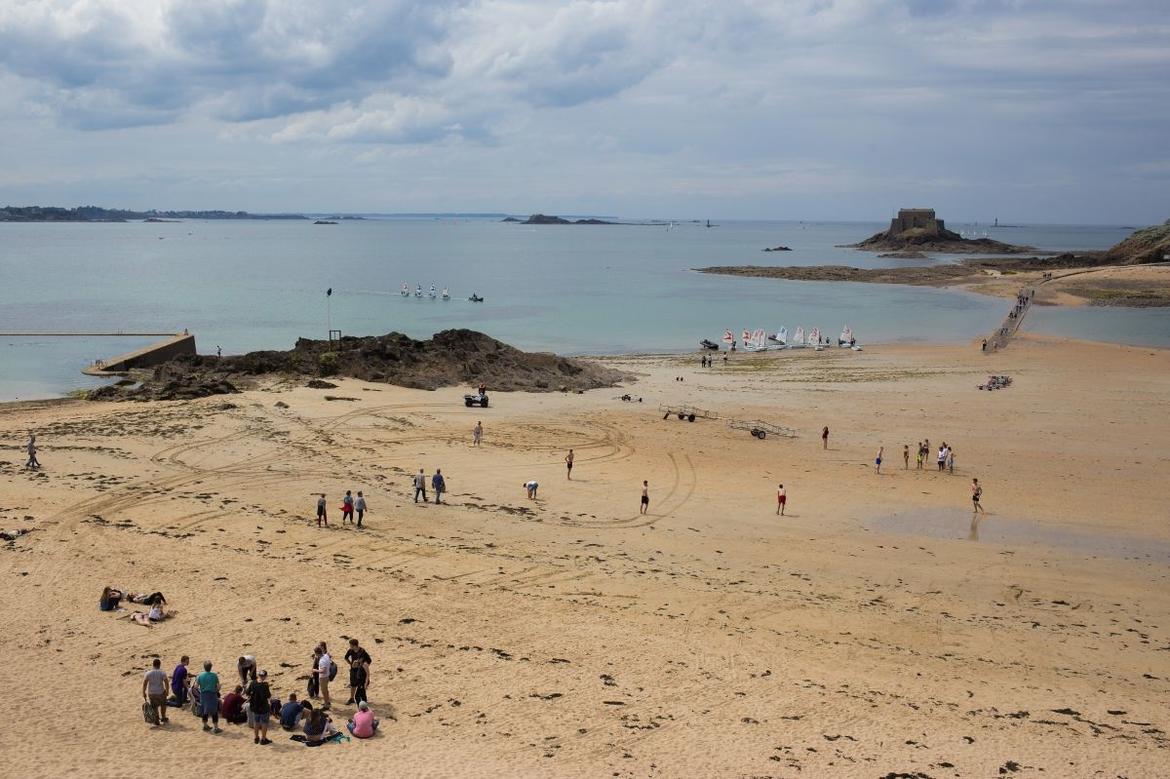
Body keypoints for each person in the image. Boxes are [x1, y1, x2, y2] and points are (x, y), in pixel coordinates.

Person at [246, 670, 273, 745]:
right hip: (263, 706)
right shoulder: (265, 684)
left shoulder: (253, 683)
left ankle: (256, 737)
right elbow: (268, 695)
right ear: (265, 676)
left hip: (255, 706)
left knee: (256, 722)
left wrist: (253, 694)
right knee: (264, 723)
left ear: (258, 675)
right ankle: (263, 739)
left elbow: (247, 692)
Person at [344, 638, 372, 705]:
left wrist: (364, 667)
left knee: (361, 686)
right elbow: (346, 657)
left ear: (354, 646)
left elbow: (369, 660)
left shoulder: (362, 651)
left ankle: (364, 700)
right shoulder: (350, 650)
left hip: (360, 671)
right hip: (353, 670)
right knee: (353, 684)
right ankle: (351, 698)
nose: (350, 646)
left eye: (350, 645)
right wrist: (351, 664)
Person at [196, 660, 222, 732]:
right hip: (212, 695)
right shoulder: (214, 675)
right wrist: (217, 690)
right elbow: (218, 687)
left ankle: (205, 725)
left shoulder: (200, 675)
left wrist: (202, 689)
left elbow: (196, 686)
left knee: (205, 710)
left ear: (204, 667)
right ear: (211, 667)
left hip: (203, 695)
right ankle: (216, 728)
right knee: (214, 711)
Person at [142, 658, 169, 726]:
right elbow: (166, 682)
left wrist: (143, 692)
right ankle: (163, 717)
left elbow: (145, 683)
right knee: (163, 705)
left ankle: (156, 719)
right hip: (160, 692)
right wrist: (167, 691)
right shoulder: (162, 672)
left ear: (153, 665)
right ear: (159, 665)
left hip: (151, 693)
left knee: (154, 706)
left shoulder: (148, 673)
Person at [317, 643, 333, 710]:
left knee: (324, 691)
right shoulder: (326, 655)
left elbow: (323, 670)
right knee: (326, 690)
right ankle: (327, 702)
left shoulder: (322, 659)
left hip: (323, 677)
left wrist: (315, 670)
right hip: (327, 676)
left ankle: (326, 705)